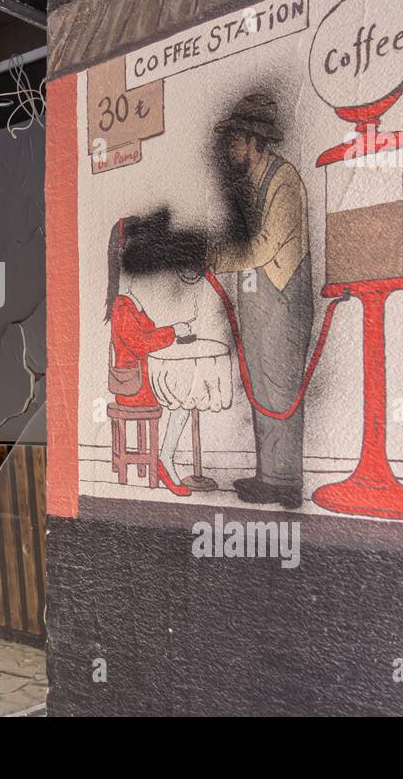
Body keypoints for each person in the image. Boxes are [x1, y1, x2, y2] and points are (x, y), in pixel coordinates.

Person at [209, 94, 311, 509]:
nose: (231, 147)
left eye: (236, 139)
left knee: (281, 384)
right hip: (256, 298)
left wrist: (216, 258)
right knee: (259, 386)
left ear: (254, 141)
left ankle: (286, 479)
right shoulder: (249, 184)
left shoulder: (284, 181)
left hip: (283, 296)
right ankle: (268, 475)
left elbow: (264, 246)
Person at [105, 217, 193, 495]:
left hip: (139, 381)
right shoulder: (122, 306)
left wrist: (173, 334)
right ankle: (164, 459)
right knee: (185, 398)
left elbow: (146, 340)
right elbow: (141, 343)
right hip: (135, 388)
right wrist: (173, 331)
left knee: (185, 393)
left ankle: (162, 457)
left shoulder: (130, 302)